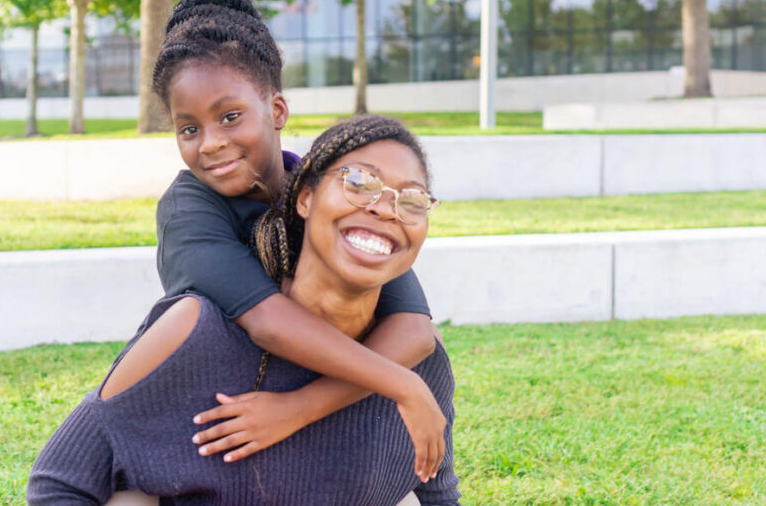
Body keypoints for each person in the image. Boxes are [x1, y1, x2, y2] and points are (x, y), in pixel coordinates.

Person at [28, 115, 459, 505]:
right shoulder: (196, 336)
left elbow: (438, 497)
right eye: (360, 183)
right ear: (305, 199)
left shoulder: (418, 359)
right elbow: (58, 485)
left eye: (412, 200)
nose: (385, 209)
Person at [148, 0, 444, 478]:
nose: (211, 143)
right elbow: (268, 322)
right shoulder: (188, 213)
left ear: (277, 111)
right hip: (217, 422)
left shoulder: (328, 191)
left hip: (304, 418)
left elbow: (414, 330)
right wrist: (403, 385)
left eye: (230, 116)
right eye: (189, 129)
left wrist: (300, 407)